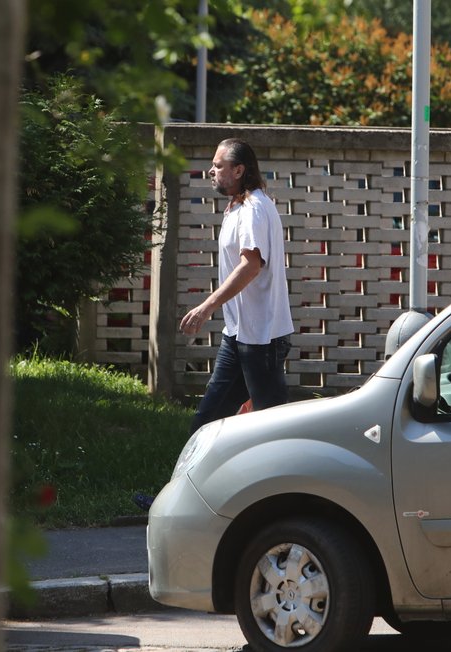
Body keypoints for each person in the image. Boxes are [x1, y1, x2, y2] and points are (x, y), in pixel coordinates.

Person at [134, 138, 294, 512]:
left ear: (239, 171)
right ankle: (174, 502)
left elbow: (251, 265)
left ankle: (283, 508)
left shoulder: (255, 208)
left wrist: (207, 305)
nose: (212, 170)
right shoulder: (238, 208)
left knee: (275, 433)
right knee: (207, 422)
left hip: (262, 339)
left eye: (219, 165)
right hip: (239, 337)